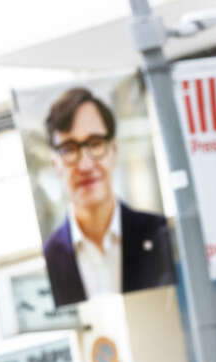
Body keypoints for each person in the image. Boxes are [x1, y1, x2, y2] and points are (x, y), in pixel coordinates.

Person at [42, 87, 176, 307]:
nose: (85, 164)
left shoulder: (157, 233)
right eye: (69, 149)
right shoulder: (50, 256)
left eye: (95, 144)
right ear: (55, 164)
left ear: (114, 150)